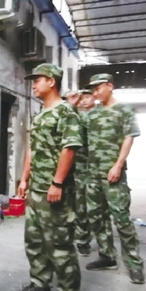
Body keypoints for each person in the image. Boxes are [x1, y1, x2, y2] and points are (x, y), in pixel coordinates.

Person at [13, 63, 82, 291]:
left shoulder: (66, 112)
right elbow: (32, 149)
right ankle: (40, 285)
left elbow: (69, 148)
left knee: (59, 242)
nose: (34, 85)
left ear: (51, 82)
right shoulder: (40, 115)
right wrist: (24, 179)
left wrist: (57, 182)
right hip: (36, 189)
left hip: (55, 190)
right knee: (35, 240)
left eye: (38, 80)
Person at [84, 73, 145, 284]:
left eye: (98, 88)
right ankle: (107, 256)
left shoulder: (124, 110)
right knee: (96, 217)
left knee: (121, 219)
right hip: (92, 174)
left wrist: (118, 165)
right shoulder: (92, 114)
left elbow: (129, 137)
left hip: (113, 173)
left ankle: (134, 264)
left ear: (110, 86)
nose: (95, 93)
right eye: (93, 89)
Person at [63, 89, 93, 257]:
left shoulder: (97, 117)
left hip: (91, 168)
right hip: (74, 168)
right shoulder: (76, 116)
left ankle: (84, 239)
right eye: (82, 98)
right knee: (75, 205)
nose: (84, 100)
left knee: (88, 207)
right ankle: (78, 237)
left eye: (88, 97)